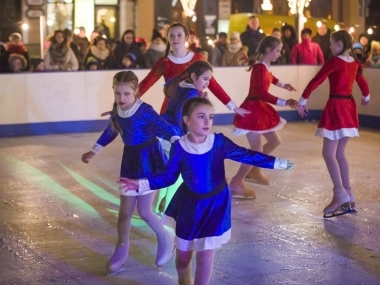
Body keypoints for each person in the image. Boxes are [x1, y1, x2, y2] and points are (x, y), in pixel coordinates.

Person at [119, 97, 293, 285]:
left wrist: (277, 163)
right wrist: (140, 184)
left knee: (205, 257)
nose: (207, 121)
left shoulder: (219, 143)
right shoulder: (179, 147)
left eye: (210, 117)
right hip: (189, 206)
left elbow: (246, 154)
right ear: (187, 120)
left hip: (216, 205)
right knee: (184, 259)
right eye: (201, 116)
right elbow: (168, 177)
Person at [81, 71, 180, 274]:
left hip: (150, 161)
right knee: (124, 213)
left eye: (126, 93)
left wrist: (178, 144)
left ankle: (166, 237)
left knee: (144, 211)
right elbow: (111, 130)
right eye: (118, 93)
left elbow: (166, 129)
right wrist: (94, 150)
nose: (121, 98)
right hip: (130, 162)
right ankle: (121, 247)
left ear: (136, 91)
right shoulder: (117, 110)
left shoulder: (145, 111)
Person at [298, 30, 370, 218]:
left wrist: (303, 100)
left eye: (332, 43)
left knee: (328, 153)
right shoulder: (355, 62)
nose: (329, 46)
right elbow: (362, 82)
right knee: (339, 153)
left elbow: (317, 80)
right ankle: (348, 193)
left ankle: (339, 193)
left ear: (339, 44)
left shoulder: (334, 62)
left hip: (336, 107)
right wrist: (366, 96)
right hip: (349, 107)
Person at [230, 36, 298, 199]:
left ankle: (254, 169)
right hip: (253, 109)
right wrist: (284, 101)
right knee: (256, 149)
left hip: (260, 109)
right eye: (277, 51)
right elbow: (261, 93)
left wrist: (283, 85)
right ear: (268, 50)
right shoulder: (259, 67)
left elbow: (271, 78)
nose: (279, 54)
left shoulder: (264, 66)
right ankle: (237, 182)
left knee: (274, 141)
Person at [138, 22, 249, 116]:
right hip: (171, 110)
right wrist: (126, 101)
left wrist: (232, 106)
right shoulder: (164, 61)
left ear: (186, 37)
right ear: (168, 38)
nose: (175, 38)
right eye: (171, 35)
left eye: (179, 35)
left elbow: (212, 83)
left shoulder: (197, 58)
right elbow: (146, 83)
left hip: (194, 108)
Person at [153, 61, 214, 214]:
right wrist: (190, 136)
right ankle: (165, 205)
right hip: (175, 134)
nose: (207, 83)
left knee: (168, 170)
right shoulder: (191, 93)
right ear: (194, 76)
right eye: (205, 79)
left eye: (209, 80)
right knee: (178, 174)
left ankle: (158, 204)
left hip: (164, 131)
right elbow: (183, 115)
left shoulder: (182, 85)